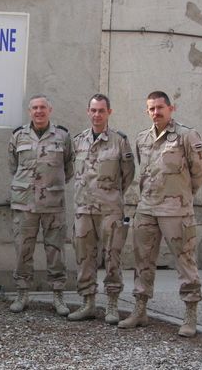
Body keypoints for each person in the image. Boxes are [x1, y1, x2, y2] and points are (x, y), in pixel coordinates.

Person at [118, 91, 202, 337]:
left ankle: (190, 316)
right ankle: (140, 310)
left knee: (185, 262)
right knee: (142, 261)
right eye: (151, 108)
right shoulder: (142, 138)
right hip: (146, 209)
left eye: (160, 107)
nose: (156, 112)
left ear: (171, 108)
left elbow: (200, 172)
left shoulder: (186, 136)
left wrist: (182, 195)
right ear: (147, 111)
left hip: (176, 211)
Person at [68, 94, 134, 324]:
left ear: (109, 113)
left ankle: (112, 305)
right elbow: (71, 172)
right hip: (84, 209)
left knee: (112, 257)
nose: (97, 115)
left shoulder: (119, 141)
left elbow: (128, 175)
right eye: (93, 110)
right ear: (88, 112)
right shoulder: (77, 141)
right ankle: (88, 303)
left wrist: (110, 195)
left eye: (101, 111)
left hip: (110, 210)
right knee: (84, 257)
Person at [8, 94, 74, 315]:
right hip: (25, 204)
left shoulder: (63, 136)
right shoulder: (18, 136)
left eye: (42, 107)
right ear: (30, 111)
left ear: (50, 110)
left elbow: (69, 168)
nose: (39, 111)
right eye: (35, 108)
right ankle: (22, 293)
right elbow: (13, 166)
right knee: (22, 250)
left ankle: (58, 295)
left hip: (53, 204)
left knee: (55, 251)